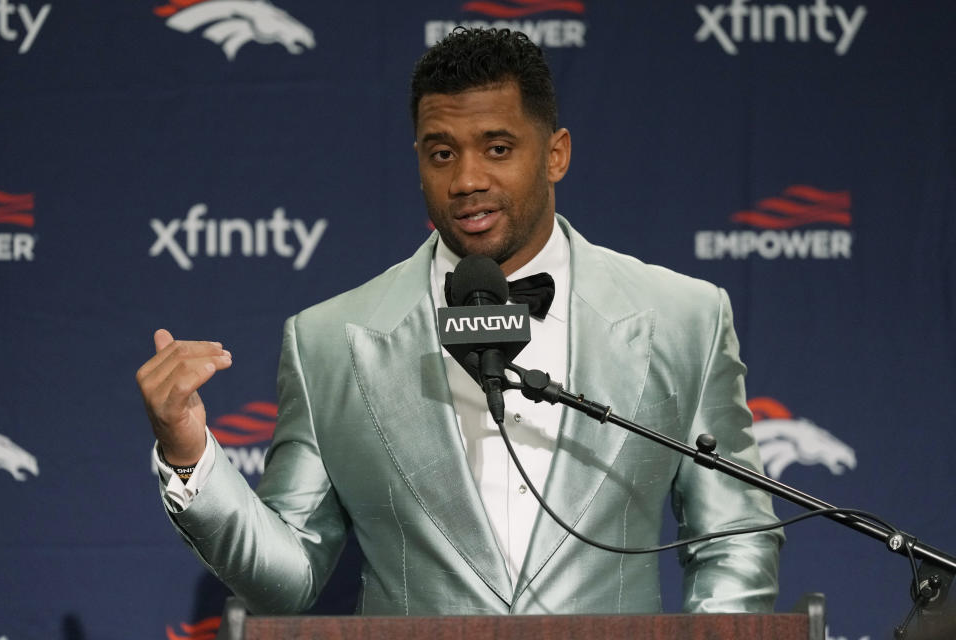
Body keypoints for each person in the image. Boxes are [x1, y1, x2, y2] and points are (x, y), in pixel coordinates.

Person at [137, 27, 782, 616]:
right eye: (441, 154)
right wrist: (188, 451)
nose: (467, 179)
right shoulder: (329, 342)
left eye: (497, 148)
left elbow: (733, 544)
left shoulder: (683, 318)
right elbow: (288, 577)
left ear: (555, 154)